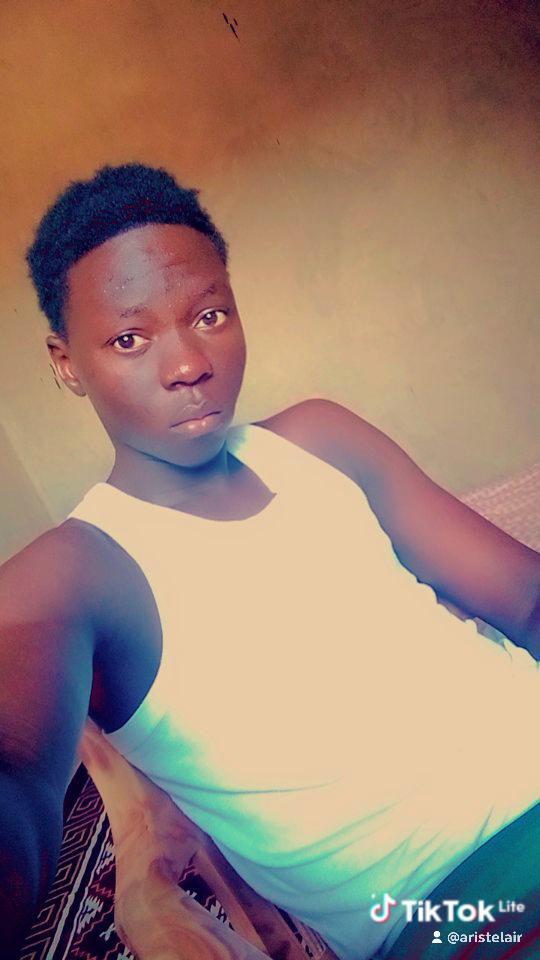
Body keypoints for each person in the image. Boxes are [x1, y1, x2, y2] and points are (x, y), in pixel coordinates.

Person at [0, 163, 538, 960]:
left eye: (209, 315)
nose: (188, 365)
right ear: (67, 362)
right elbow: (14, 769)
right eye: (129, 339)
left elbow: (525, 600)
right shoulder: (75, 573)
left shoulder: (319, 440)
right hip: (457, 908)